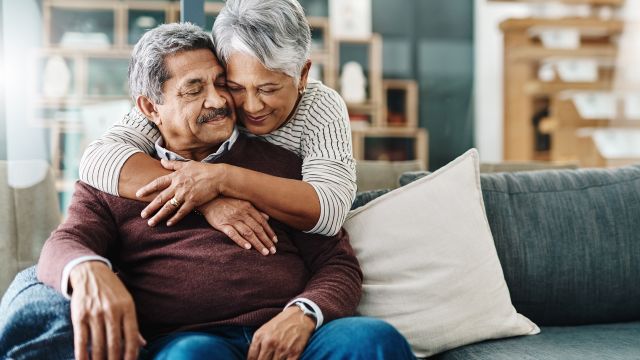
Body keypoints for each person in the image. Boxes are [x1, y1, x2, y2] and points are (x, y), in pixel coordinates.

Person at [3, 23, 415, 360]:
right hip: (191, 339)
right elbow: (64, 242)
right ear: (149, 108)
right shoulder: (115, 177)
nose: (218, 100)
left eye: (221, 84)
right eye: (193, 89)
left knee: (374, 341)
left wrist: (304, 314)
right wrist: (87, 270)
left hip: (294, 337)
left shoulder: (279, 165)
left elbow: (337, 264)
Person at [79, 0, 356, 255]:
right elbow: (97, 160)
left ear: (303, 75)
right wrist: (205, 199)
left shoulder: (320, 106)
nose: (251, 106)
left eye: (268, 88)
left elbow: (330, 211)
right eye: (234, 87)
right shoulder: (205, 101)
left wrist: (221, 179)